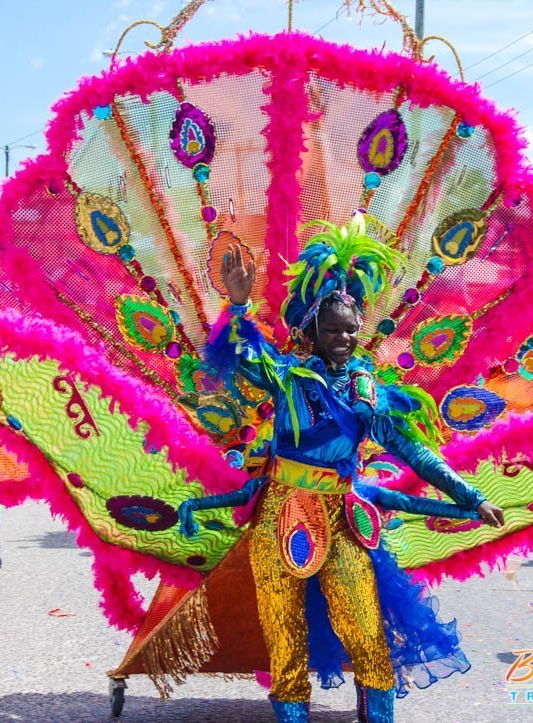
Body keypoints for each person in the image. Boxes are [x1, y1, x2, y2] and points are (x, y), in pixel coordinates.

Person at [180, 219, 504, 721]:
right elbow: (242, 358)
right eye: (332, 330)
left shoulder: (368, 391)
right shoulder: (286, 377)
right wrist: (239, 306)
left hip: (345, 519)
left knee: (367, 634)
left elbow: (414, 451)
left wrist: (469, 496)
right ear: (311, 332)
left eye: (351, 331)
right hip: (278, 517)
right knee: (284, 639)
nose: (343, 339)